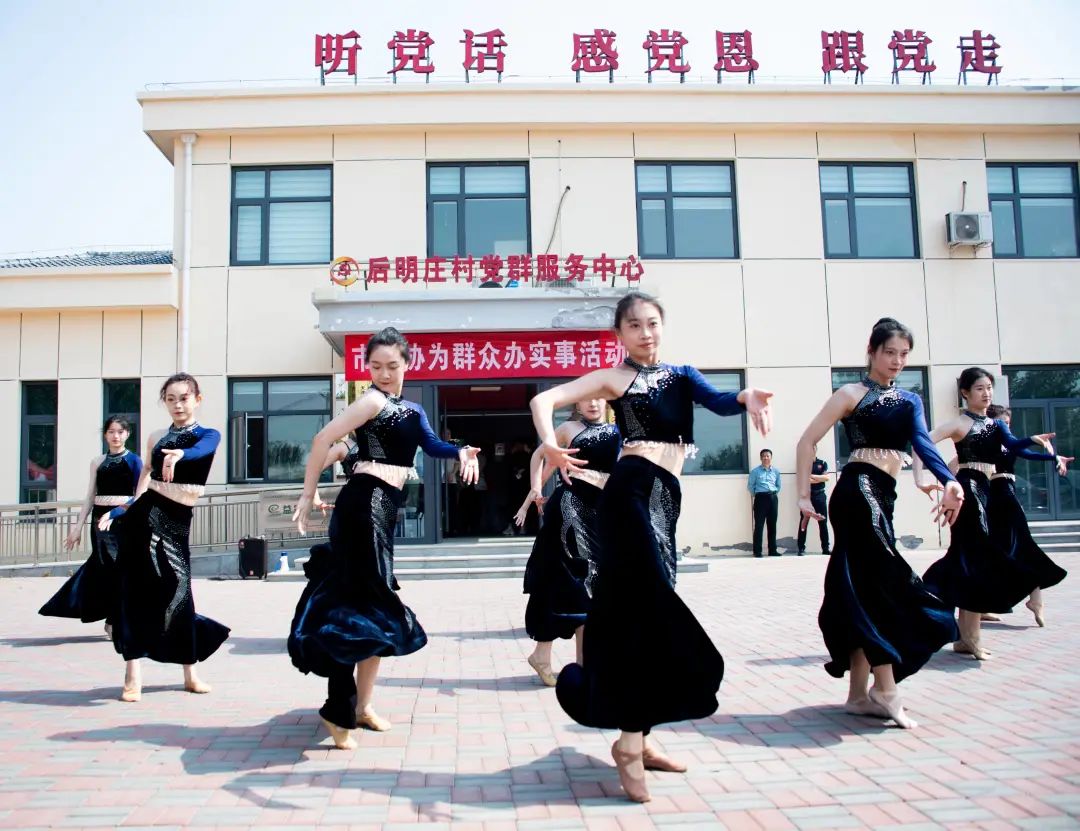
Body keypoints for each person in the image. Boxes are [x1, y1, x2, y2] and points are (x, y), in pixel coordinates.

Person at [530, 291, 773, 803]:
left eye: (653, 323)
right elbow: (542, 400)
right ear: (619, 334)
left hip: (664, 497)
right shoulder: (615, 378)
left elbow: (720, 401)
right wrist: (550, 443)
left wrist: (746, 396)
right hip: (631, 494)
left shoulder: (682, 374)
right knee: (648, 614)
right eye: (635, 325)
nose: (646, 333)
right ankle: (629, 743)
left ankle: (640, 739)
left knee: (642, 621)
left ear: (663, 326)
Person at [288, 327, 480, 750]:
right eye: (376, 367)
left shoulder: (412, 410)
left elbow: (432, 446)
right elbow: (323, 439)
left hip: (381, 509)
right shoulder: (373, 401)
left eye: (392, 366)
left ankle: (361, 706)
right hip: (363, 508)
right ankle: (339, 710)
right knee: (356, 609)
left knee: (370, 609)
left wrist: (461, 451)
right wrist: (307, 492)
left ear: (407, 364)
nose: (384, 374)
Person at [797, 318, 964, 730]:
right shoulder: (850, 394)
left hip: (883, 495)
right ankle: (886, 690)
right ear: (871, 351)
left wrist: (948, 480)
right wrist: (802, 495)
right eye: (889, 352)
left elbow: (922, 444)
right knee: (884, 582)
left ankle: (858, 695)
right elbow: (806, 441)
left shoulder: (910, 400)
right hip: (857, 492)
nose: (897, 361)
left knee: (861, 588)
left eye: (904, 354)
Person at [98, 373, 229, 702]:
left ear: (197, 399)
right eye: (170, 399)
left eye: (183, 398)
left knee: (179, 591)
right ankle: (132, 676)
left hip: (177, 521)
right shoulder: (156, 437)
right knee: (135, 591)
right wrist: (122, 509)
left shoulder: (208, 435)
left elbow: (200, 450)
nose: (177, 405)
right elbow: (144, 476)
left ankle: (190, 672)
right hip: (145, 516)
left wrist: (178, 455)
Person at [922, 369, 1063, 659]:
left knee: (970, 561)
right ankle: (970, 637)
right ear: (965, 393)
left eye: (989, 388)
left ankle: (963, 637)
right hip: (968, 489)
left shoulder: (995, 424)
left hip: (985, 491)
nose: (986, 393)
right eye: (979, 388)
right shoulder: (960, 423)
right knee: (976, 560)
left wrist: (1037, 444)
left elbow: (1014, 446)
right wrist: (935, 479)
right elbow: (923, 441)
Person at [514, 398, 619, 686]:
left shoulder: (618, 429)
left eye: (598, 397)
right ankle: (576, 664)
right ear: (578, 403)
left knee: (589, 586)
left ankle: (553, 658)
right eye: (586, 398)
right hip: (571, 508)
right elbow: (540, 456)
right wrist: (535, 489)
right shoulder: (568, 429)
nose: (593, 403)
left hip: (602, 511)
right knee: (577, 582)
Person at [40, 416, 142, 633]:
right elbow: (89, 496)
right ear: (105, 435)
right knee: (107, 567)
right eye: (111, 432)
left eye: (120, 432)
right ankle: (112, 618)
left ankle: (114, 619)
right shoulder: (97, 462)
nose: (116, 436)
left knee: (120, 568)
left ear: (127, 434)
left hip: (124, 520)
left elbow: (139, 496)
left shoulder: (134, 461)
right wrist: (77, 527)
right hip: (99, 521)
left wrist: (118, 512)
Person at [986, 404, 1071, 627]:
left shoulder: (1009, 443)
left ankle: (1034, 599)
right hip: (994, 497)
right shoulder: (985, 442)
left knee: (1021, 546)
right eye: (1003, 423)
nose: (1007, 427)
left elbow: (1026, 453)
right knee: (997, 550)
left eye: (1009, 423)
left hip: (1008, 495)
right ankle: (983, 606)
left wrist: (1054, 457)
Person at [747, 449, 781, 557]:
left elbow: (778, 486)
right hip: (760, 499)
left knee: (772, 525)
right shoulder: (755, 471)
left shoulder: (776, 472)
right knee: (759, 525)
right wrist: (757, 495)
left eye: (768, 456)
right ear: (761, 458)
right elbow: (750, 486)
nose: (766, 458)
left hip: (773, 498)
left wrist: (773, 493)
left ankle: (772, 550)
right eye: (764, 456)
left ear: (771, 457)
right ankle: (757, 551)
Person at [797, 447, 830, 556]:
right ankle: (801, 548)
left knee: (823, 521)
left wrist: (811, 476)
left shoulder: (822, 463)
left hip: (820, 495)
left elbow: (826, 478)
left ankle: (825, 548)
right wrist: (819, 478)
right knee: (804, 522)